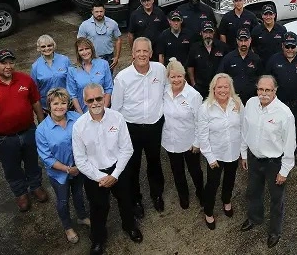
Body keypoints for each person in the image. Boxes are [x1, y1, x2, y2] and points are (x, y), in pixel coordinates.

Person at [0, 48, 48, 212]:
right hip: (5, 139)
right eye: (3, 63)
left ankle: (35, 186)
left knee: (32, 162)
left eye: (11, 62)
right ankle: (20, 193)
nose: (8, 66)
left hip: (29, 132)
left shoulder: (25, 80)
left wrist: (42, 125)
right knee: (11, 168)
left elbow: (35, 102)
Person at [72, 83, 141, 255]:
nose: (95, 103)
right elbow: (80, 160)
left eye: (98, 98)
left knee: (126, 200)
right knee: (98, 208)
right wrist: (101, 177)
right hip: (94, 174)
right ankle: (98, 239)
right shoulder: (79, 126)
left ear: (104, 98)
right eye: (90, 100)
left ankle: (130, 226)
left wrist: (115, 175)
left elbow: (127, 149)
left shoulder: (117, 118)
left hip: (118, 169)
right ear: (84, 101)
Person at [111, 37, 169, 217]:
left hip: (154, 126)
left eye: (146, 51)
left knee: (154, 162)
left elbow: (167, 91)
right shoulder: (122, 78)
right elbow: (116, 107)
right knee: (133, 165)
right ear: (133, 54)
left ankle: (156, 194)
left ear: (151, 54)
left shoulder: (160, 70)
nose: (142, 54)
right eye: (138, 51)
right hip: (131, 128)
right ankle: (135, 199)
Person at [239, 75, 296, 248]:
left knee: (276, 199)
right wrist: (243, 154)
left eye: (268, 90)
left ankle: (274, 231)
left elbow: (289, 144)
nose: (263, 93)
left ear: (275, 91)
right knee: (253, 192)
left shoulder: (285, 114)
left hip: (274, 164)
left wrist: (284, 171)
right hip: (254, 159)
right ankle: (255, 218)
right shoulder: (250, 104)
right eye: (260, 89)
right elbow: (245, 129)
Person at [35, 88, 89, 244]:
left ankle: (82, 217)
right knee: (63, 200)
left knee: (79, 194)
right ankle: (67, 227)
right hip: (59, 174)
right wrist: (68, 169)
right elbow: (47, 158)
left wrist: (80, 165)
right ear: (48, 105)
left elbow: (87, 139)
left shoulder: (77, 118)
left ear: (68, 104)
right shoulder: (42, 130)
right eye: (55, 103)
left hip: (79, 169)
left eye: (63, 103)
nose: (60, 107)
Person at [198, 73, 243, 230]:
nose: (223, 90)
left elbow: (242, 129)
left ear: (230, 88)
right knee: (212, 184)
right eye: (219, 87)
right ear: (213, 89)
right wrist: (210, 158)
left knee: (230, 180)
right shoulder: (205, 108)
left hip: (233, 152)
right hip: (216, 156)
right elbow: (202, 136)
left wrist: (243, 154)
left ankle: (226, 200)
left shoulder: (237, 104)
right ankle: (208, 211)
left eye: (226, 86)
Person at [264, 31, 297, 167]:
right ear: (282, 46)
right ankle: (276, 156)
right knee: (276, 130)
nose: (290, 50)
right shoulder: (274, 60)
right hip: (278, 104)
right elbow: (266, 80)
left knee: (295, 131)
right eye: (287, 46)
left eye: (293, 47)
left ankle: (293, 155)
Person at [161, 58, 204, 210]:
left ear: (184, 75)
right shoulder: (163, 92)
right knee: (177, 171)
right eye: (173, 76)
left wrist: (198, 142)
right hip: (170, 141)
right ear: (168, 78)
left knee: (195, 171)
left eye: (179, 76)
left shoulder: (193, 95)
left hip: (189, 142)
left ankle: (201, 193)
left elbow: (201, 121)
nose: (176, 79)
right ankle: (183, 196)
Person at [66, 38, 114, 113]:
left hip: (102, 110)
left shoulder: (103, 64)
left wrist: (104, 109)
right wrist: (81, 115)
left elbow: (109, 88)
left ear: (92, 49)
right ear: (77, 52)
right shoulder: (72, 70)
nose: (85, 52)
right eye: (81, 50)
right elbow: (72, 95)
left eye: (87, 48)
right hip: (83, 111)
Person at [217, 28, 262, 105]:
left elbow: (261, 79)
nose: (243, 43)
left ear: (250, 40)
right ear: (237, 41)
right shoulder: (228, 58)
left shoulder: (256, 59)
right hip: (232, 100)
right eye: (241, 41)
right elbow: (220, 77)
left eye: (246, 40)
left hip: (252, 100)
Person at [186, 21, 228, 98]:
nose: (208, 35)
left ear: (214, 32)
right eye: (205, 32)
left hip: (218, 88)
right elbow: (190, 66)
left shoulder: (222, 47)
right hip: (200, 88)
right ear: (201, 33)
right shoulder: (194, 48)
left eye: (210, 32)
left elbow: (227, 66)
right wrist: (193, 83)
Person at [30, 34, 71, 111]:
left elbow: (71, 81)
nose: (47, 48)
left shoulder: (65, 60)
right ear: (39, 48)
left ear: (54, 46)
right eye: (43, 46)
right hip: (47, 107)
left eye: (49, 45)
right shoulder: (35, 66)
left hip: (65, 104)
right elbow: (35, 89)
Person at [77, 2, 122, 71]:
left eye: (101, 11)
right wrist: (82, 59)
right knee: (94, 79)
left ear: (104, 11)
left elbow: (118, 39)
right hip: (92, 57)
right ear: (92, 12)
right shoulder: (84, 25)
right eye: (96, 12)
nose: (99, 14)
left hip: (109, 57)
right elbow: (79, 43)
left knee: (108, 77)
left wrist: (117, 57)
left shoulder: (112, 23)